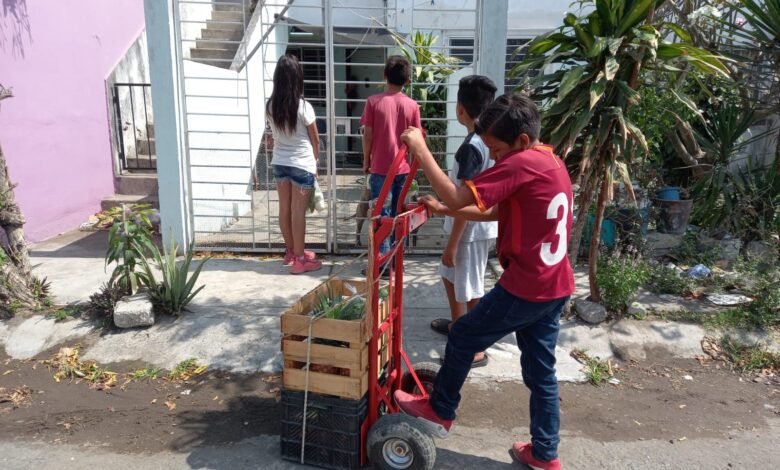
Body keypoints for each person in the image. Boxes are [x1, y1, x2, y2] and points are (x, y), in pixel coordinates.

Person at [395, 93, 574, 470]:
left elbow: (460, 192)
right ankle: (545, 453)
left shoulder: (521, 162)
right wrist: (445, 209)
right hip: (555, 285)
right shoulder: (549, 160)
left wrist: (421, 149)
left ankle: (440, 411)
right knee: (541, 374)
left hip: (527, 285)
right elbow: (494, 208)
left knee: (462, 335)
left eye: (495, 149)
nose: (491, 157)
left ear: (521, 142)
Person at [430, 75, 498, 369]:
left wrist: (453, 243)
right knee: (450, 275)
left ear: (460, 109)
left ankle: (473, 348)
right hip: (475, 227)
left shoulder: (472, 147)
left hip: (468, 230)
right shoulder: (488, 140)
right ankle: (459, 328)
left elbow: (463, 200)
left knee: (470, 288)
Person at [360, 55, 421, 260]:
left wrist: (366, 160)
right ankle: (395, 259)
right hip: (402, 169)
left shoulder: (373, 102)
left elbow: (367, 134)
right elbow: (416, 138)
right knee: (398, 213)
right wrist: (412, 163)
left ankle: (382, 259)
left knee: (381, 214)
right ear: (407, 80)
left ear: (384, 76)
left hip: (379, 169)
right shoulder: (412, 105)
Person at [266, 54, 322, 274]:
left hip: (279, 162)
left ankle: (291, 252)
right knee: (298, 212)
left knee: (284, 210)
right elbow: (315, 139)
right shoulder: (304, 107)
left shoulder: (270, 106)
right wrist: (316, 162)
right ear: (297, 77)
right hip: (301, 164)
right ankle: (300, 260)